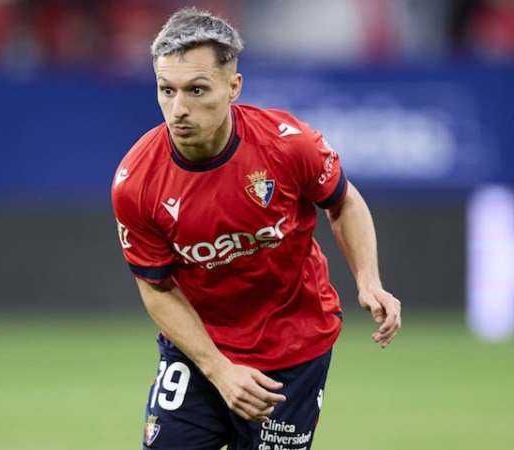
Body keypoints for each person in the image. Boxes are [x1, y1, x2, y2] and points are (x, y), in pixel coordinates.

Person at [111, 7, 401, 450]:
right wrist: (220, 370)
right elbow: (156, 286)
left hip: (293, 348)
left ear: (234, 87)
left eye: (197, 90)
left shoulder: (288, 145)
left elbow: (343, 201)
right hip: (199, 351)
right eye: (166, 90)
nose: (179, 109)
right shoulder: (136, 182)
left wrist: (368, 280)